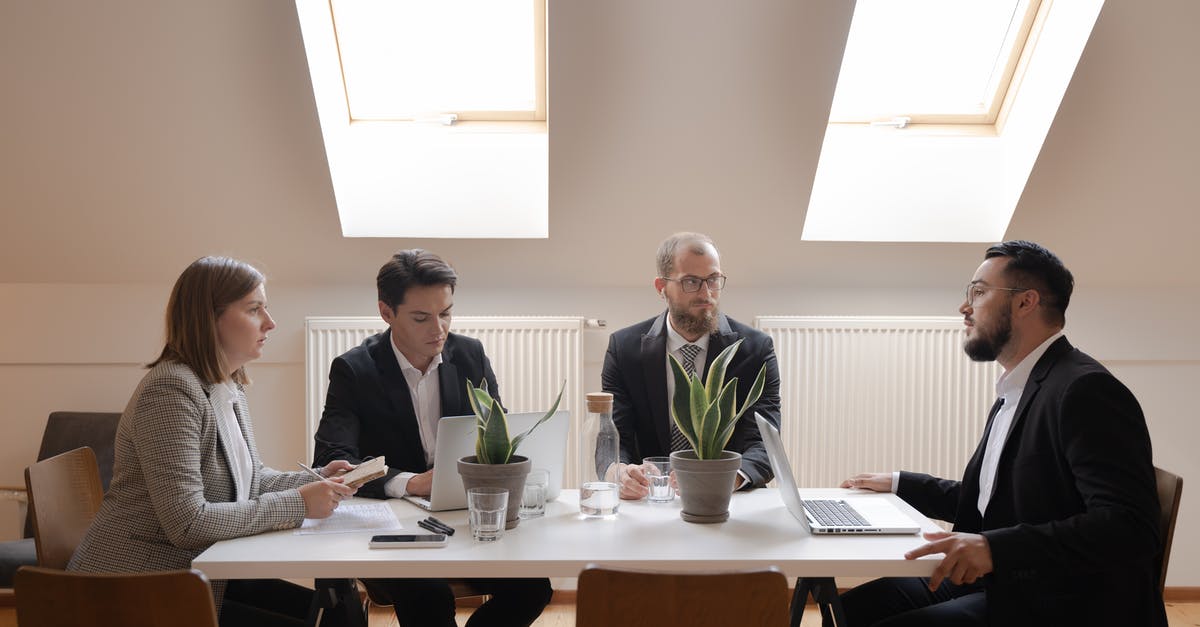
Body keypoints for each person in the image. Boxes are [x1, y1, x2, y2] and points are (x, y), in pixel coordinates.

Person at [838, 240, 1167, 626]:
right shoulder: (1020, 388)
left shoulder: (1085, 390)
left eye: (978, 293)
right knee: (849, 609)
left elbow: (1129, 526)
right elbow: (994, 502)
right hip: (1016, 578)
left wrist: (994, 548)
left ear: (1025, 302)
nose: (965, 308)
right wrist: (899, 483)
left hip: (1067, 602)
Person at [68, 256, 357, 626]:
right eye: (254, 310)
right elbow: (187, 523)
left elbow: (248, 482)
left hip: (192, 574)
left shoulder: (226, 383)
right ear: (210, 318)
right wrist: (297, 505)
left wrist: (314, 480)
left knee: (336, 611)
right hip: (134, 588)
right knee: (331, 617)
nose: (270, 323)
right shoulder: (171, 390)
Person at [313, 249, 552, 627]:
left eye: (446, 313)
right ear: (386, 313)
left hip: (462, 519)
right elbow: (331, 458)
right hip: (393, 527)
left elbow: (498, 435)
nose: (438, 329)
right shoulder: (354, 369)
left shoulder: (469, 354)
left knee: (534, 588)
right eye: (422, 318)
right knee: (428, 597)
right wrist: (409, 482)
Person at [601, 232, 781, 499]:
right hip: (650, 499)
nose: (706, 293)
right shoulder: (624, 349)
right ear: (661, 287)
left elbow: (765, 444)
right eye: (691, 282)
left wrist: (727, 479)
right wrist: (619, 472)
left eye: (713, 280)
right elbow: (612, 437)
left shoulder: (755, 349)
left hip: (728, 500)